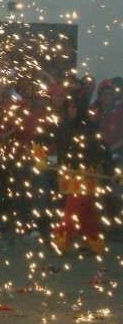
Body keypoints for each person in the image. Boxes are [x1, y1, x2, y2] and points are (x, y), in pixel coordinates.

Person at [39, 95, 114, 254]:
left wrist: (112, 171)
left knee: (73, 207)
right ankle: (94, 242)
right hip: (69, 174)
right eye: (69, 107)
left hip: (87, 175)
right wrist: (47, 162)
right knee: (87, 212)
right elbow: (52, 145)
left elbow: (103, 151)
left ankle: (61, 238)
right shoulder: (63, 126)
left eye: (74, 107)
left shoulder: (91, 127)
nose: (71, 110)